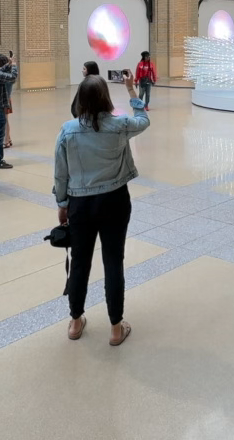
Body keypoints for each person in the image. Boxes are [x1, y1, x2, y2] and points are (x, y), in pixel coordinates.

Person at [55, 73, 149, 347]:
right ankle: (116, 327)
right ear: (106, 98)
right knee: (113, 262)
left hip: (80, 205)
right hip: (114, 201)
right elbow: (143, 120)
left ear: (80, 100)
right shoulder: (120, 126)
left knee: (80, 262)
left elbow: (61, 172)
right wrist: (131, 89)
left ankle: (75, 321)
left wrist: (62, 204)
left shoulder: (68, 130)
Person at [0, 53, 15, 149]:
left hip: (2, 100)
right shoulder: (9, 75)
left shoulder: (2, 76)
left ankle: (6, 141)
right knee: (6, 120)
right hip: (7, 99)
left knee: (4, 121)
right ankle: (8, 138)